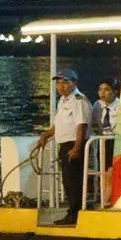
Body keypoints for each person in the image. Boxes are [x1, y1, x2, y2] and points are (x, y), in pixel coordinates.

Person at [34, 69, 91, 224]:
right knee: (67, 180)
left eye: (65, 82)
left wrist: (77, 148)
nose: (61, 86)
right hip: (65, 145)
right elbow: (58, 126)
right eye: (58, 83)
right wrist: (45, 136)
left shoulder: (79, 101)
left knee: (73, 180)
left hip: (74, 144)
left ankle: (75, 213)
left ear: (75, 83)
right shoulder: (63, 101)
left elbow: (82, 126)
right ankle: (72, 211)